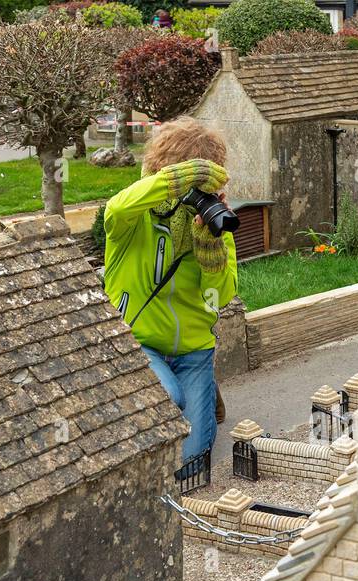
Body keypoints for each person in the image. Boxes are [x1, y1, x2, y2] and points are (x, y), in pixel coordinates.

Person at [103, 117, 237, 464]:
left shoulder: (213, 226)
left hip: (194, 351)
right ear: (160, 171)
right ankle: (194, 396)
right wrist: (175, 182)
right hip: (139, 343)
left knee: (190, 460)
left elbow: (220, 296)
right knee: (169, 399)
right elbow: (115, 209)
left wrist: (210, 249)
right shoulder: (134, 218)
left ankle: (204, 391)